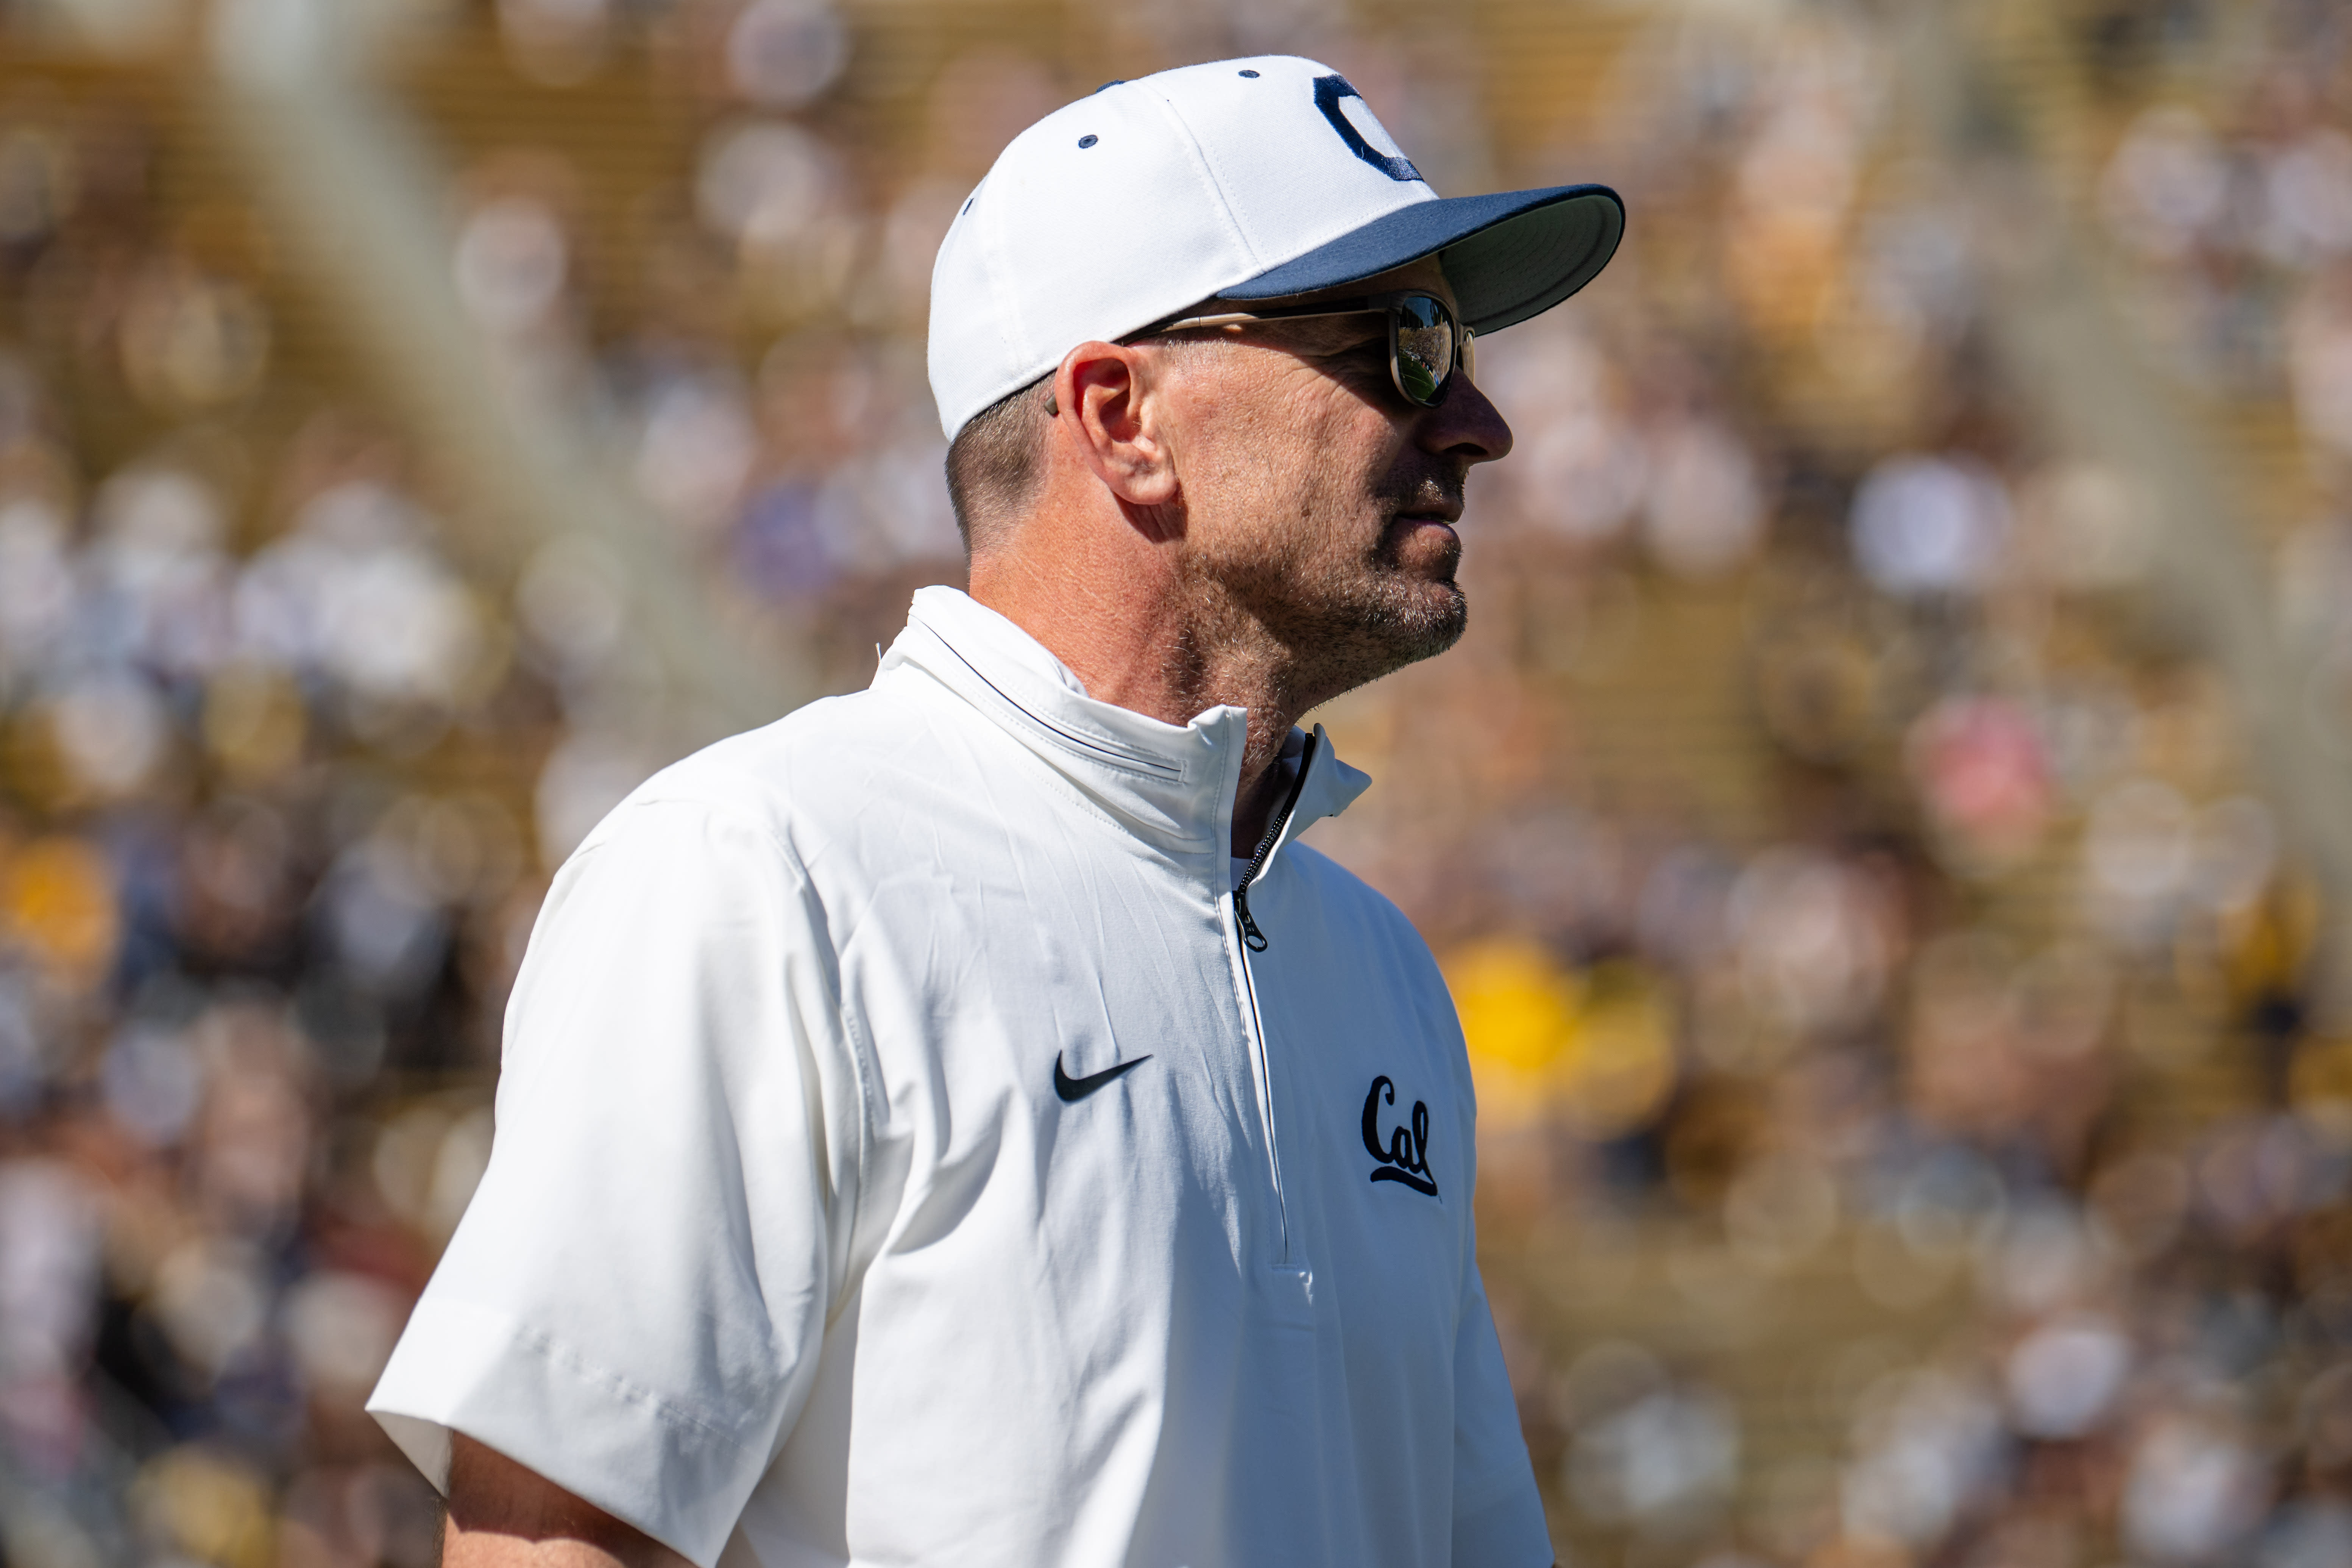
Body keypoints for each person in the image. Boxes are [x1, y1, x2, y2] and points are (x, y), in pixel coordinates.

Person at [367, 53, 1622, 1568]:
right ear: (1122, 416)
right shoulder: (762, 873)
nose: (1476, 417)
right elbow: (551, 1543)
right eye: (1404, 342)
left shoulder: (1380, 972)